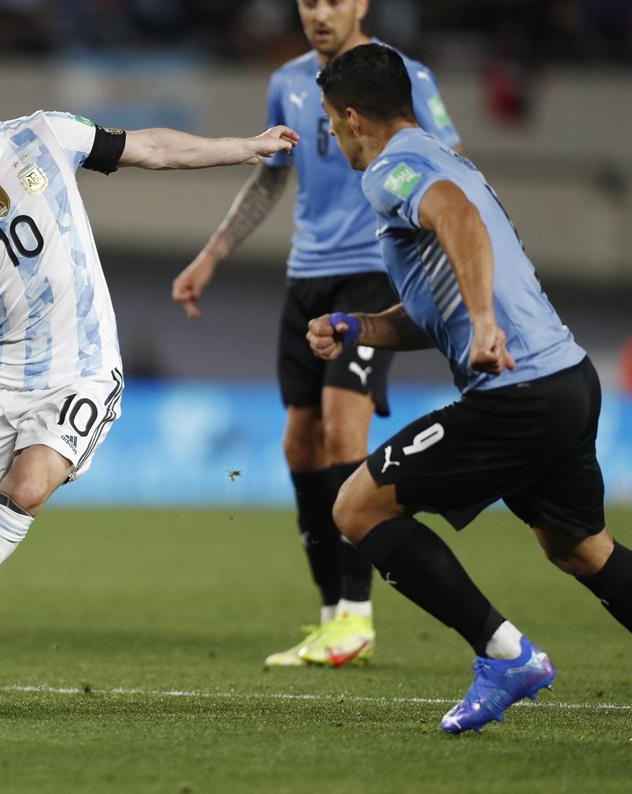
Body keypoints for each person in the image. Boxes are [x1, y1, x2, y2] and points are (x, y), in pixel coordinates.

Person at [0, 50, 298, 703]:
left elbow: (152, 148)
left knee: (28, 486)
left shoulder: (46, 135)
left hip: (82, 366)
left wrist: (244, 146)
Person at [308, 42, 631, 733]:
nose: (334, 138)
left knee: (357, 508)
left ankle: (505, 654)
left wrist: (485, 324)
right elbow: (438, 299)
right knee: (579, 548)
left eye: (333, 124)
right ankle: (506, 652)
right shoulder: (442, 156)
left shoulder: (394, 171)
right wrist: (360, 325)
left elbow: (457, 217)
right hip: (566, 383)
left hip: (519, 393)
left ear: (356, 118)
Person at [171, 0, 461, 668]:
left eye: (333, 0)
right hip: (305, 278)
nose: (319, 13)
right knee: (299, 445)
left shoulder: (404, 74)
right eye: (307, 2)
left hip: (372, 275)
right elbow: (270, 178)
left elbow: (452, 162)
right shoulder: (290, 81)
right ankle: (332, 610)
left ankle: (357, 614)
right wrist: (211, 256)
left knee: (341, 431)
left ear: (361, 3)